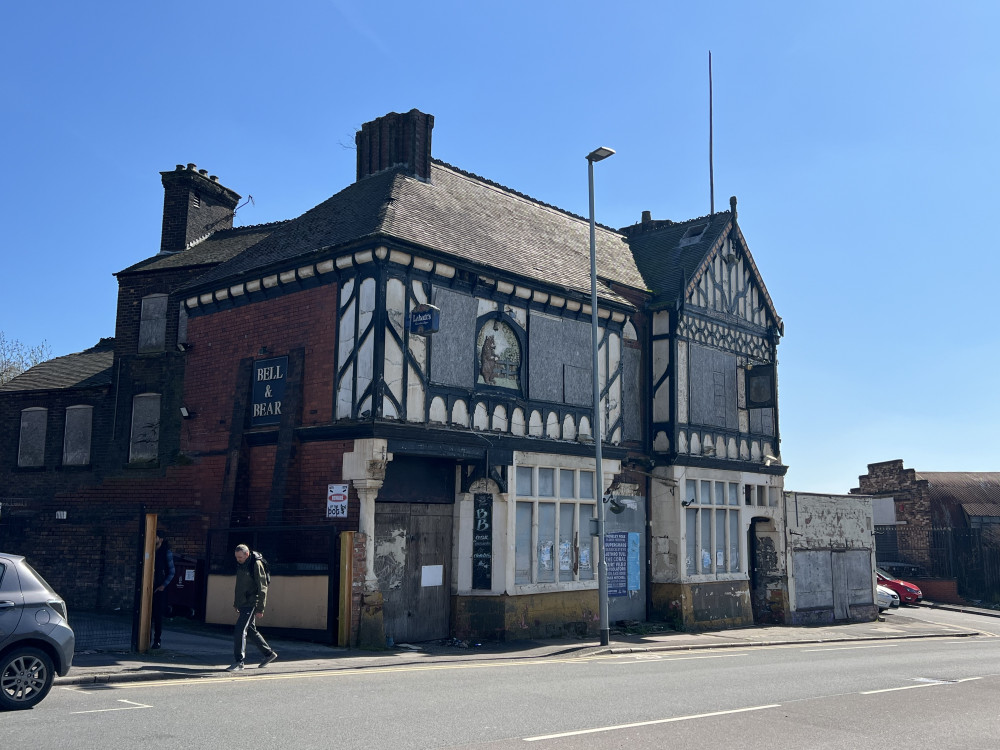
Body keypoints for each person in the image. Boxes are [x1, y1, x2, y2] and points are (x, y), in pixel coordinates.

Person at [227, 544, 278, 671]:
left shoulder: (255, 565)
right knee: (250, 630)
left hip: (251, 603)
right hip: (244, 603)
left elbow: (263, 587)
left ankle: (239, 661)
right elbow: (240, 585)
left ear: (247, 554)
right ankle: (268, 653)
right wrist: (237, 603)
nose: (238, 559)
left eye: (240, 557)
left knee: (240, 630)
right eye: (236, 557)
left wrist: (260, 608)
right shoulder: (242, 564)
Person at [151, 529, 174, 650]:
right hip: (149, 586)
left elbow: (172, 571)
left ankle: (157, 640)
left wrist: (163, 585)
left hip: (159, 587)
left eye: (155, 537)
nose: (152, 539)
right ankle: (145, 639)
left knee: (157, 614)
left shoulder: (166, 553)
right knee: (146, 614)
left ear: (160, 539)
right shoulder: (149, 551)